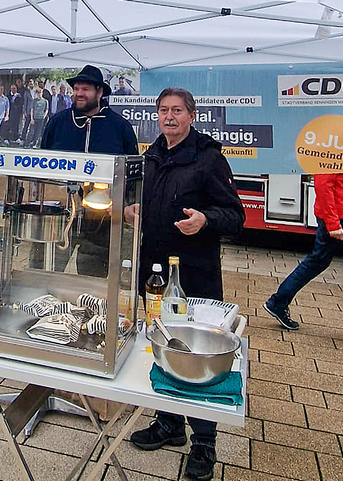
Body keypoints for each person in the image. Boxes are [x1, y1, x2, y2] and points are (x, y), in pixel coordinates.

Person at [126, 87, 244, 481]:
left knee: (196, 352)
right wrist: (134, 210)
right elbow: (148, 201)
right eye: (163, 110)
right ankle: (169, 423)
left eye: (177, 110)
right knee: (162, 342)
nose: (169, 117)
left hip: (195, 276)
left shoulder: (208, 159)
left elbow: (235, 214)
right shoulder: (153, 155)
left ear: (192, 115)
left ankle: (204, 443)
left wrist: (205, 220)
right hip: (154, 273)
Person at [39, 64, 138, 276]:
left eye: (85, 89)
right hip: (59, 216)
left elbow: (131, 175)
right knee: (44, 274)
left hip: (101, 222)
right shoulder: (57, 123)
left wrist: (122, 205)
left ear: (99, 92)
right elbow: (42, 164)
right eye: (76, 89)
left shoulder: (120, 128)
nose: (79, 93)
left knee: (94, 283)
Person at [263, 173, 343, 341]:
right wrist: (333, 224)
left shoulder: (339, 148)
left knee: (318, 261)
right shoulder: (330, 151)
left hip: (342, 212)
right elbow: (323, 185)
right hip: (342, 215)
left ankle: (278, 302)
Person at [20, 79, 35, 144]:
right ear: (28, 84)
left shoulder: (36, 91)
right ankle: (22, 139)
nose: (31, 84)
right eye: (30, 83)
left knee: (33, 127)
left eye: (32, 83)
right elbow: (25, 102)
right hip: (28, 111)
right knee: (26, 125)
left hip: (35, 112)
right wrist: (25, 111)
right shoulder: (27, 92)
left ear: (34, 84)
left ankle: (32, 140)